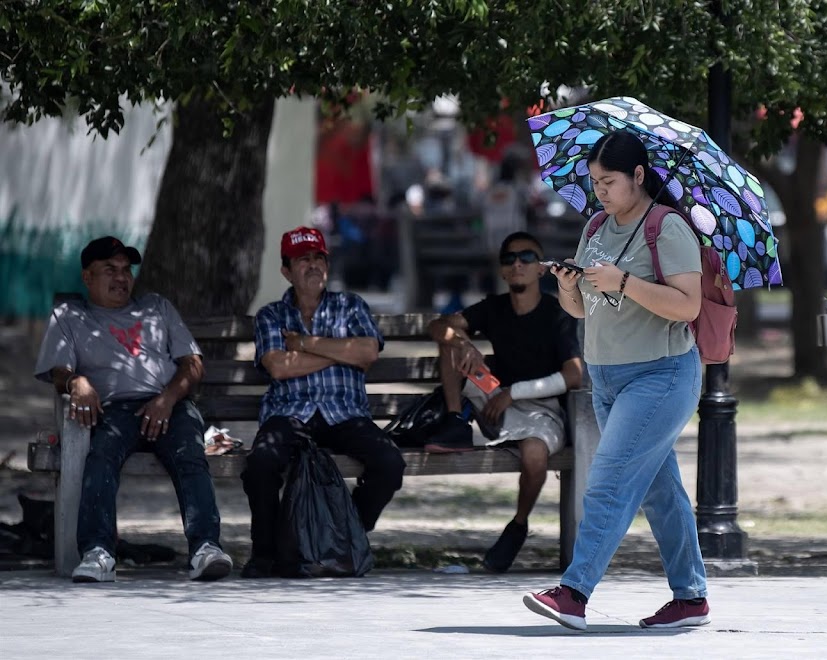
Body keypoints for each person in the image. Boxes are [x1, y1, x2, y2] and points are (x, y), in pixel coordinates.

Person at [523, 130, 710, 630]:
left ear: (639, 176)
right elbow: (583, 309)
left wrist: (624, 281)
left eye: (608, 181)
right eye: (594, 182)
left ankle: (574, 592)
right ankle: (691, 599)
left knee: (607, 481)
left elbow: (687, 306)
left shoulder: (668, 228)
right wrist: (568, 286)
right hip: (606, 378)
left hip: (662, 375)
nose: (600, 191)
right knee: (659, 490)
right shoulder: (596, 227)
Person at [34, 236, 232, 583]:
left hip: (167, 403)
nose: (121, 277)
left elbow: (193, 365)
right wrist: (76, 382)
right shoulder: (71, 316)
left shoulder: (157, 308)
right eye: (109, 269)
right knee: (101, 454)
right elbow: (59, 372)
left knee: (190, 454)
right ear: (87, 277)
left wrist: (167, 399)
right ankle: (98, 553)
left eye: (126, 269)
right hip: (113, 410)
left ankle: (206, 548)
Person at [240, 226, 406, 578]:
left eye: (318, 258)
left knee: (389, 463)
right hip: (289, 413)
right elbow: (280, 367)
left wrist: (303, 344)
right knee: (260, 464)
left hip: (344, 413)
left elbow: (368, 351)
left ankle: (347, 535)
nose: (313, 265)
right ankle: (265, 552)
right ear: (286, 270)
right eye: (303, 260)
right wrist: (341, 353)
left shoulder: (351, 306)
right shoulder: (271, 315)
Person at [425, 231, 583, 572]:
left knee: (535, 454)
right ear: (502, 270)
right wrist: (462, 341)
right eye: (509, 259)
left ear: (541, 269)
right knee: (451, 343)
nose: (518, 264)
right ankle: (455, 421)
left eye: (527, 257)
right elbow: (439, 325)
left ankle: (518, 525)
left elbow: (574, 375)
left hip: (540, 408)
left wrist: (516, 392)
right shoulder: (494, 307)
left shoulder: (557, 314)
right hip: (494, 396)